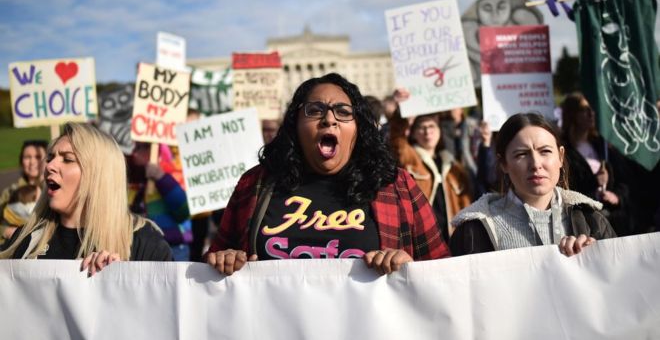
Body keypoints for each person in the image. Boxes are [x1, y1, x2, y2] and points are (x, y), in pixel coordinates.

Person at [205, 73, 449, 275]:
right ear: (295, 125)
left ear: (359, 128)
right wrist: (224, 259)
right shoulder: (256, 184)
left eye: (343, 111)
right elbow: (209, 267)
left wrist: (410, 269)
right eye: (315, 110)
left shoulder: (397, 186)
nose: (329, 119)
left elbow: (443, 273)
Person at [0, 123, 172, 273]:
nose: (49, 166)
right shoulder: (26, 241)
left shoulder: (145, 244)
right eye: (51, 157)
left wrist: (122, 280)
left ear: (99, 175)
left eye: (67, 159)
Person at [450, 112, 616, 257]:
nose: (536, 164)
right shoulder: (474, 231)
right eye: (522, 154)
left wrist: (596, 259)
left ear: (560, 156)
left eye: (545, 151)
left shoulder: (591, 221)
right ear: (504, 164)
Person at [388, 89, 473, 243]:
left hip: (454, 240)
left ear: (440, 132)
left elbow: (466, 204)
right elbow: (396, 137)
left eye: (432, 127)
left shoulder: (454, 166)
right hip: (423, 240)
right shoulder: (410, 158)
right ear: (413, 134)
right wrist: (401, 110)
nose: (427, 132)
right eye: (422, 127)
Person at [560, 93, 633, 235]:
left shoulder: (602, 145)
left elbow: (625, 180)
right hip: (588, 227)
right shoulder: (563, 151)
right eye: (584, 109)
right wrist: (595, 189)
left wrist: (617, 196)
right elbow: (565, 191)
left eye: (592, 109)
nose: (591, 113)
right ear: (572, 114)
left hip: (617, 222)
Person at [127, 142, 193, 261]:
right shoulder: (135, 179)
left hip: (174, 248)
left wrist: (162, 178)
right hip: (145, 249)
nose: (134, 153)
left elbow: (183, 211)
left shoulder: (173, 176)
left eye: (141, 147)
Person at [0, 139, 48, 243]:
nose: (32, 162)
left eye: (38, 157)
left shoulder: (54, 190)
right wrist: (6, 231)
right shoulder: (10, 192)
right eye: (27, 157)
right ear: (21, 160)